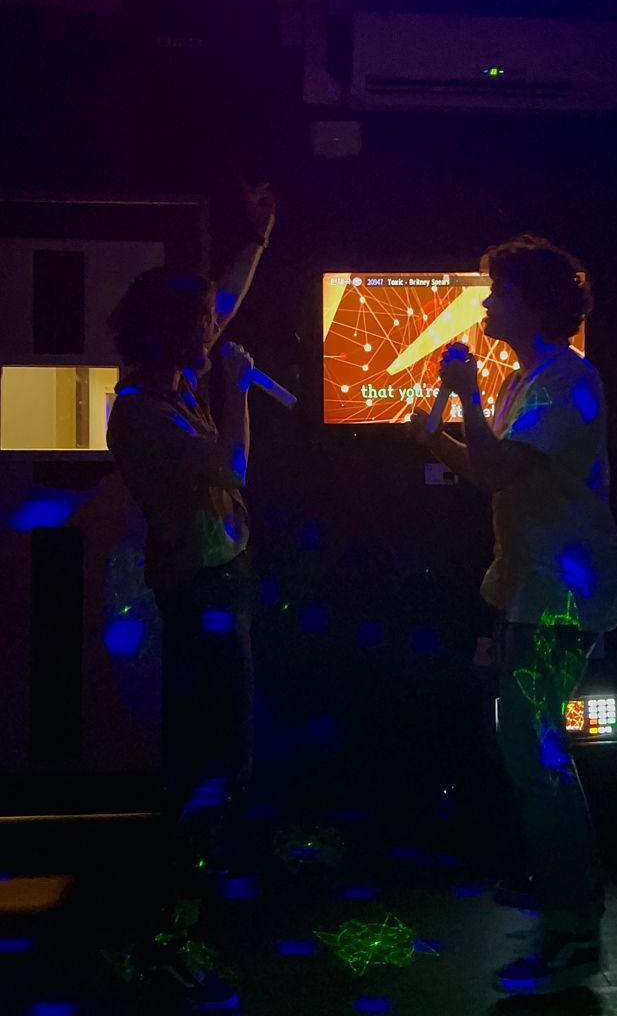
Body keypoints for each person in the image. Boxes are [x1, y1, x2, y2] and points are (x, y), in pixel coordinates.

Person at [409, 233, 617, 995]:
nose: (486, 303)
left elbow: (498, 466)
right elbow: (492, 478)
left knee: (535, 757)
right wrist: (438, 429)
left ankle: (571, 925)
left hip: (556, 594)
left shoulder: (566, 380)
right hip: (531, 587)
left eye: (496, 292)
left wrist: (463, 396)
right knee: (530, 755)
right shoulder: (530, 378)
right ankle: (563, 901)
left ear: (529, 302)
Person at [105, 179, 276, 1001]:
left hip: (220, 584)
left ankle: (176, 928)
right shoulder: (140, 410)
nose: (217, 327)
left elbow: (227, 299)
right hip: (203, 594)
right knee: (216, 762)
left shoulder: (169, 387)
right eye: (203, 323)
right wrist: (239, 389)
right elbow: (226, 469)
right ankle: (164, 934)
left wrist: (257, 241)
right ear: (176, 332)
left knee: (215, 760)